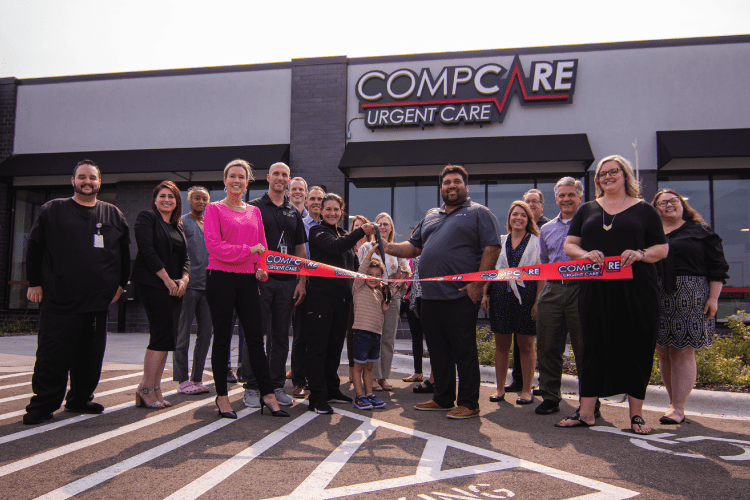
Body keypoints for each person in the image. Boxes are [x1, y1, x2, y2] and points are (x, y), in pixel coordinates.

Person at [557, 155, 668, 434]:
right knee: (592, 345)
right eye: (602, 174)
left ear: (625, 174)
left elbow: (662, 249)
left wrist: (641, 253)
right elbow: (570, 245)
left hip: (637, 289)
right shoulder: (587, 209)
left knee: (636, 346)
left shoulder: (644, 210)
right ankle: (586, 413)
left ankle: (636, 415)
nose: (607, 177)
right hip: (596, 288)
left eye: (613, 172)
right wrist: (585, 254)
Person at [384, 165, 501, 420]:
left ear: (466, 187)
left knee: (464, 350)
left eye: (457, 182)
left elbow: (492, 248)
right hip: (430, 296)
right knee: (438, 350)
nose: (452, 186)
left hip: (460, 295)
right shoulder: (431, 217)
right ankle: (443, 397)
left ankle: (469, 403)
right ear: (441, 189)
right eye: (447, 182)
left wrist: (478, 285)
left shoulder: (479, 213)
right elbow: (413, 248)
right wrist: (387, 246)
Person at [23, 160, 131, 425]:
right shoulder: (53, 210)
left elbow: (125, 254)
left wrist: (120, 285)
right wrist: (34, 283)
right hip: (59, 298)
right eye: (82, 177)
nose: (87, 182)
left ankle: (80, 399)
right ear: (73, 181)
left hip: (97, 301)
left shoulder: (113, 214)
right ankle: (43, 404)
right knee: (53, 354)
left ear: (99, 182)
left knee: (90, 355)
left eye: (92, 178)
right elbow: (34, 248)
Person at [204, 159, 288, 419]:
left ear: (248, 181)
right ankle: (222, 397)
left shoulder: (254, 212)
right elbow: (214, 247)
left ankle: (268, 394)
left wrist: (261, 269)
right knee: (222, 339)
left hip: (248, 280)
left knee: (255, 339)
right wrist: (248, 252)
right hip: (220, 277)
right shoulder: (214, 209)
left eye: (242, 177)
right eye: (232, 176)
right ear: (225, 180)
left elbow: (262, 247)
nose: (237, 181)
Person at [652, 188, 729, 425]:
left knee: (682, 349)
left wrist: (713, 298)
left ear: (682, 205)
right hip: (656, 293)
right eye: (662, 203)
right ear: (656, 209)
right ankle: (672, 402)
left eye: (673, 201)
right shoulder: (650, 234)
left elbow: (717, 267)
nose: (669, 205)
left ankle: (678, 407)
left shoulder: (701, 231)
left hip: (691, 294)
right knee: (663, 349)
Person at [304, 193, 377, 414]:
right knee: (318, 348)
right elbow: (335, 247)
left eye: (336, 210)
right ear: (321, 211)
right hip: (320, 299)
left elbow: (353, 267)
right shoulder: (317, 231)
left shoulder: (344, 234)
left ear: (342, 211)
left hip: (343, 300)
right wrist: (360, 232)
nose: (332, 213)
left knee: (335, 347)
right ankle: (317, 398)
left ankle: (331, 389)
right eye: (328, 209)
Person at [242, 163, 307, 408]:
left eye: (284, 175)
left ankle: (277, 386)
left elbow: (300, 249)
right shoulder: (254, 208)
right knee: (255, 335)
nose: (280, 178)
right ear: (269, 178)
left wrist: (302, 280)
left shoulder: (294, 212)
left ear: (289, 180)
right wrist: (251, 277)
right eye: (276, 174)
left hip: (288, 283)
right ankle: (251, 386)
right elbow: (247, 244)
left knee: (280, 338)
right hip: (261, 282)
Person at [131, 180, 190, 409]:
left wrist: (184, 280)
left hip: (175, 288)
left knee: (167, 338)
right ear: (155, 199)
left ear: (177, 202)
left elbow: (186, 257)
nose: (167, 200)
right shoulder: (147, 218)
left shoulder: (178, 226)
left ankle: (155, 388)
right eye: (162, 196)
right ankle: (145, 388)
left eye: (172, 196)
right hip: (154, 285)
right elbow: (147, 251)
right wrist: (166, 280)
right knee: (159, 335)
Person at [534, 177, 588, 415]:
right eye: (561, 195)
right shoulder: (546, 229)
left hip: (582, 290)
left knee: (584, 348)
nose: (566, 199)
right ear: (556, 199)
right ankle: (550, 395)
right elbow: (545, 262)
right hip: (553, 289)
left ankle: (589, 401)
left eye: (571, 195)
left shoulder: (591, 224)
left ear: (580, 197)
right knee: (548, 346)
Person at [481, 201, 542, 405]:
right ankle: (499, 389)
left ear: (528, 220)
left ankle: (526, 390)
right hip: (501, 296)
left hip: (527, 297)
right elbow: (491, 271)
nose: (518, 218)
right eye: (515, 214)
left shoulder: (536, 242)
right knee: (501, 345)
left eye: (523, 215)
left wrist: (537, 302)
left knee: (526, 345)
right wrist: (484, 294)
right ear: (509, 218)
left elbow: (541, 275)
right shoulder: (501, 241)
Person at [358, 212, 410, 391]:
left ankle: (383, 378)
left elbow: (406, 271)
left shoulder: (396, 248)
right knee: (372, 337)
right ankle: (371, 378)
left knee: (388, 338)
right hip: (372, 294)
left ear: (391, 227)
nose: (382, 227)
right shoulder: (366, 246)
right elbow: (362, 270)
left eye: (386, 224)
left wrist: (395, 288)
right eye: (379, 224)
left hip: (392, 295)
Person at [505, 188, 550, 393]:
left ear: (542, 205)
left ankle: (544, 381)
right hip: (515, 294)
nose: (531, 205)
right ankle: (519, 379)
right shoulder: (513, 231)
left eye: (535, 202)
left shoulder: (547, 228)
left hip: (543, 290)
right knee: (519, 339)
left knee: (541, 340)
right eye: (527, 202)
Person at [174, 186, 212, 395]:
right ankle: (181, 380)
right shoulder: (183, 222)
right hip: (188, 286)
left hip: (208, 287)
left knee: (206, 334)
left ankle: (197, 379)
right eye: (197, 198)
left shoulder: (211, 224)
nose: (201, 202)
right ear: (190, 200)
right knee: (183, 335)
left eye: (205, 199)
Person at [290, 185, 326, 399]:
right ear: (306, 200)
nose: (316, 203)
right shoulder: (300, 224)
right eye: (312, 198)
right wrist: (301, 281)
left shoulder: (331, 227)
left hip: (324, 289)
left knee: (319, 336)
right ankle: (298, 380)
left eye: (320, 199)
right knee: (301, 335)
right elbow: (299, 255)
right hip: (304, 284)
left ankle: (316, 378)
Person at [351, 245, 391, 410]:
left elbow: (377, 314)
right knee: (358, 366)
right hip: (361, 333)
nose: (373, 278)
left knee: (369, 366)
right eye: (370, 275)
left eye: (377, 276)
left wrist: (384, 309)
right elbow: (362, 268)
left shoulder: (378, 293)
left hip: (375, 335)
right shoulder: (359, 287)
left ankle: (369, 394)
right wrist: (371, 252)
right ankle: (359, 396)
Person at [346, 215, 372, 384]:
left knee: (366, 333)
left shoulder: (372, 247)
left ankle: (368, 373)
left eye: (363, 227)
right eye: (356, 227)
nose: (360, 230)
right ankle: (351, 369)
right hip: (352, 294)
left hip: (368, 295)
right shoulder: (349, 247)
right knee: (351, 332)